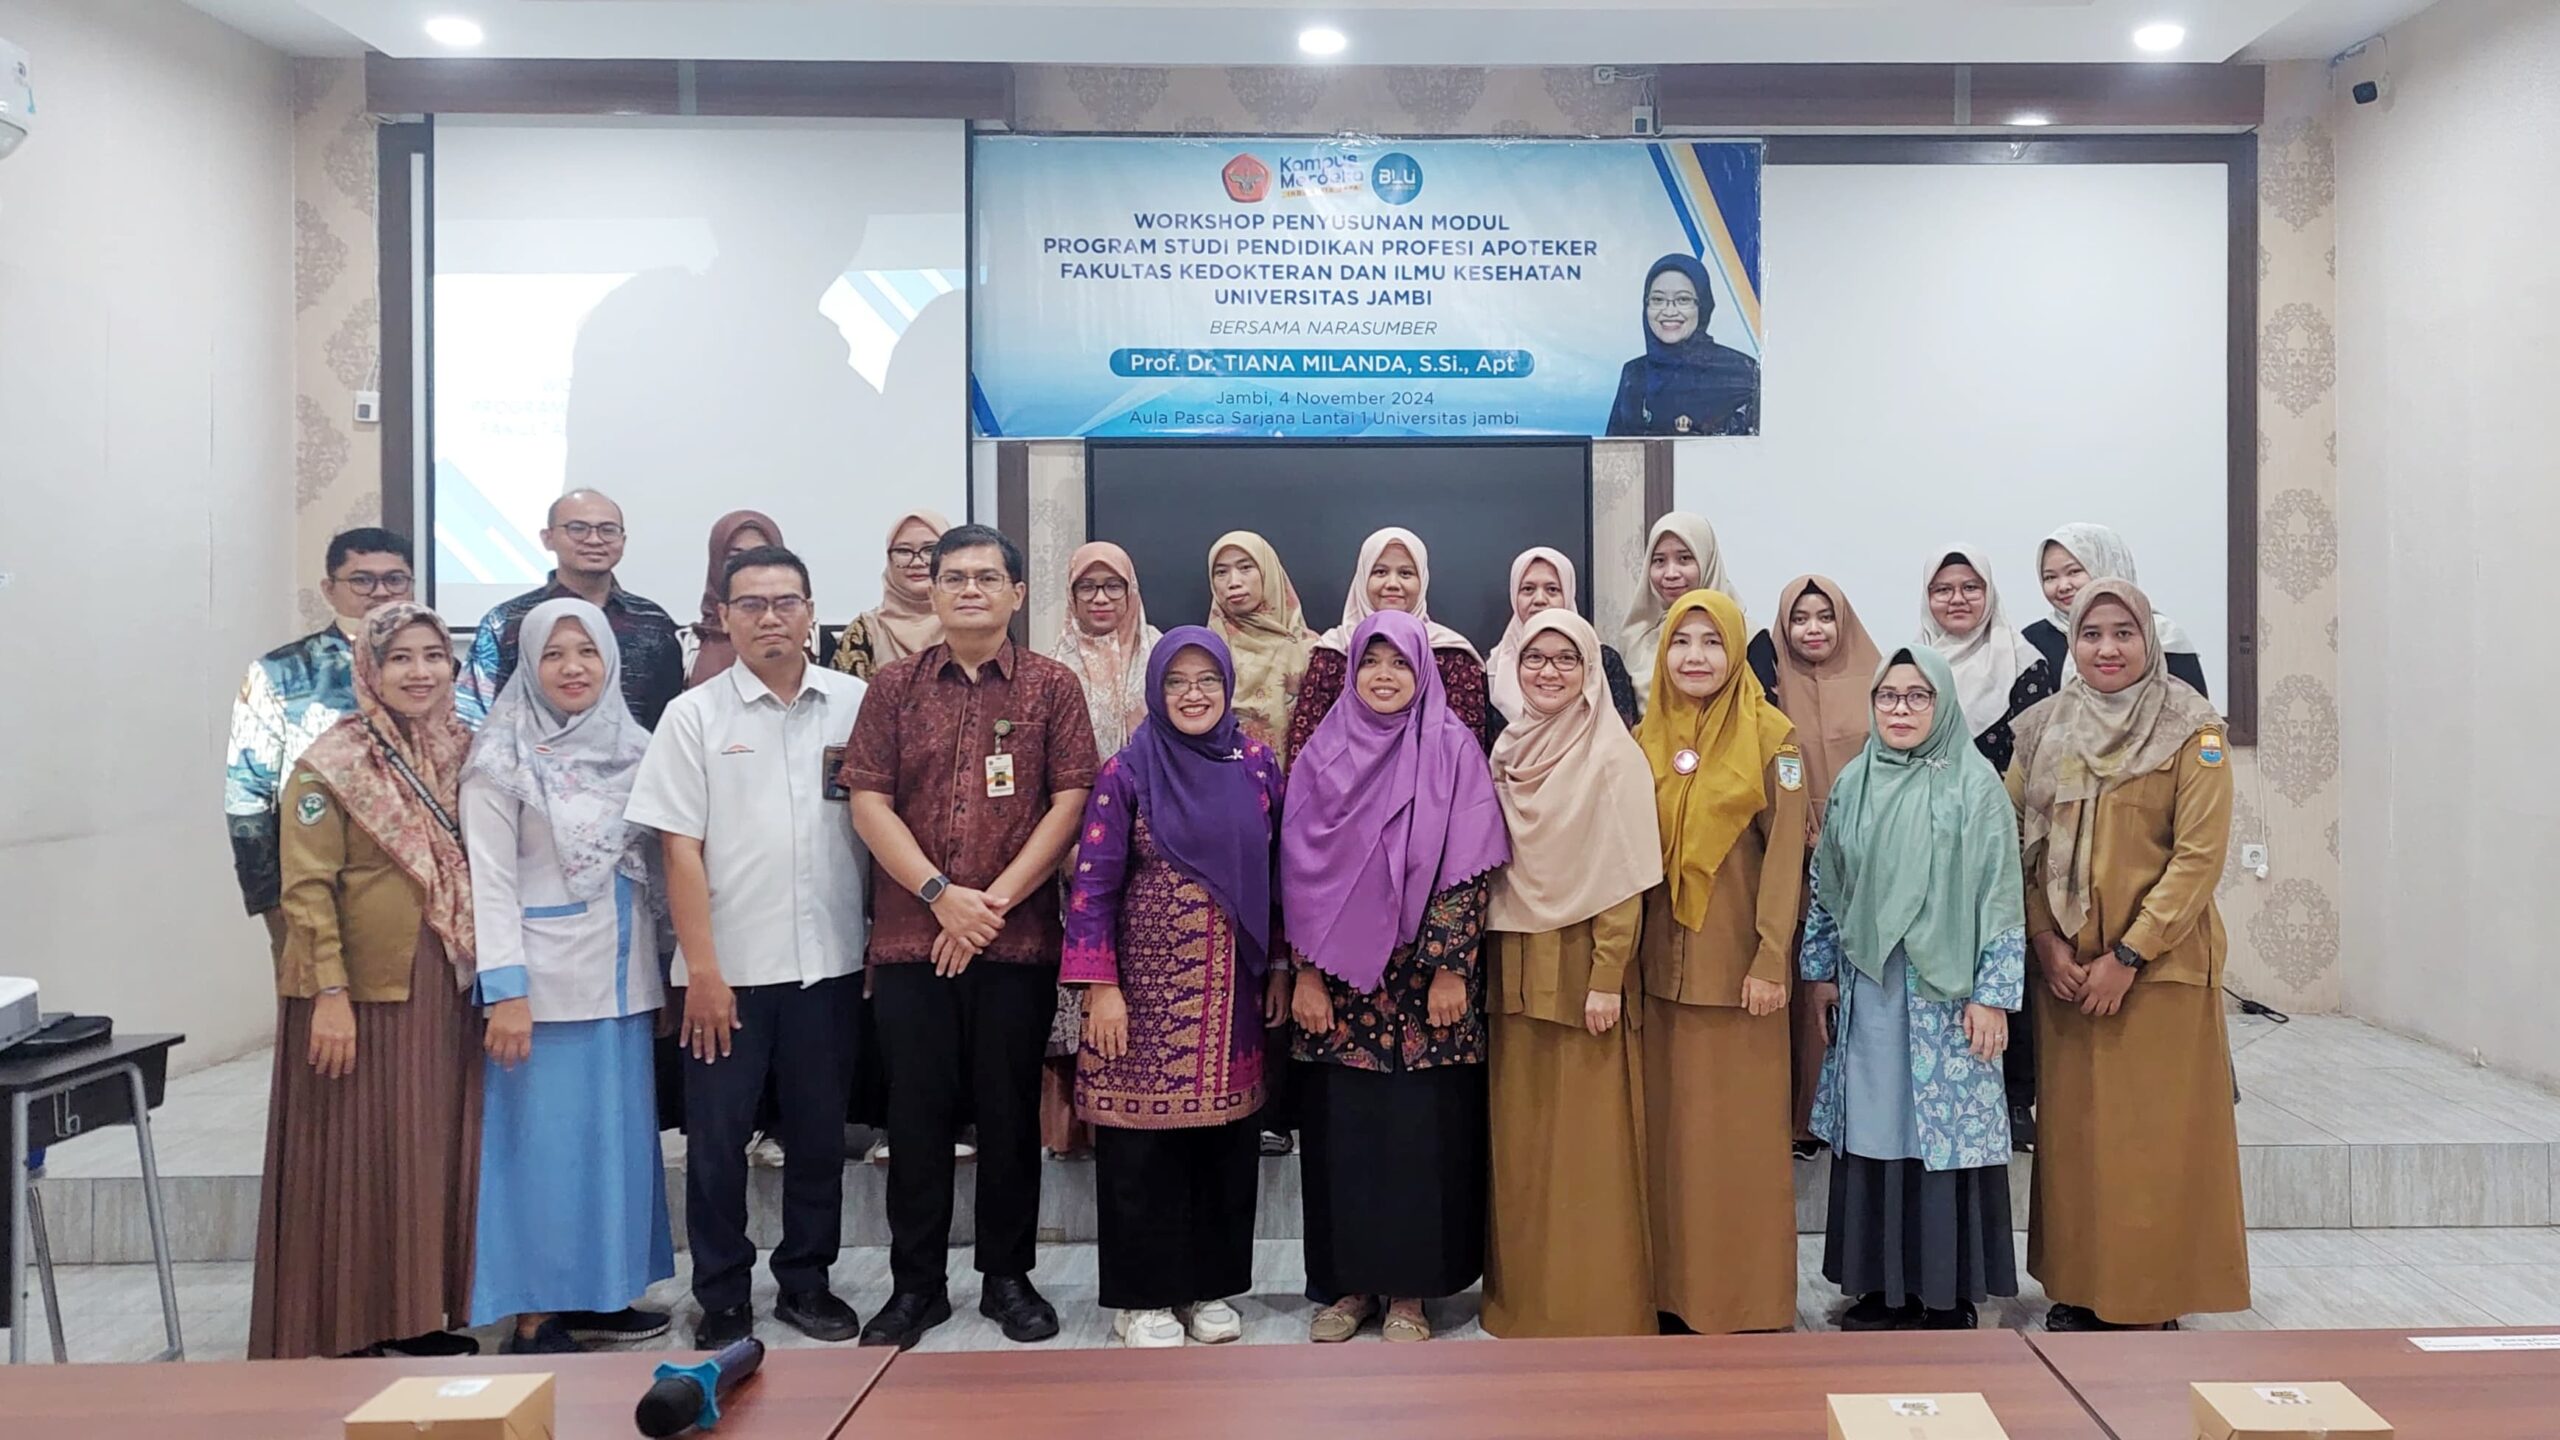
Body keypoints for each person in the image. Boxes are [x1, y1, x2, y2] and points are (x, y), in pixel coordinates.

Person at [842, 523, 1100, 1350]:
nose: (969, 590)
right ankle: (915, 1286)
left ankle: (1007, 1278)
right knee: (914, 1119)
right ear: (932, 589)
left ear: (1017, 593)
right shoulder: (893, 688)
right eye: (953, 577)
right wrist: (939, 896)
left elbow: (1071, 801)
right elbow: (868, 801)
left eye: (987, 578)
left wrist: (988, 904)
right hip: (912, 940)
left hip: (1015, 942)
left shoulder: (1053, 687)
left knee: (1007, 1113)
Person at [624, 545, 871, 1350]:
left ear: (812, 613)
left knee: (818, 1137)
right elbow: (679, 849)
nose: (771, 618)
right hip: (725, 973)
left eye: (786, 602)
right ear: (725, 617)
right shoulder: (693, 716)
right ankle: (723, 1292)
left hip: (830, 965)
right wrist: (701, 970)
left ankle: (807, 1280)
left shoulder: (854, 704)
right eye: (752, 604)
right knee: (717, 1145)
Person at [2011, 580, 2248, 1332]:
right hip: (2067, 973)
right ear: (2071, 642)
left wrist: (2129, 955)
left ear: (2149, 639)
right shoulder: (2042, 728)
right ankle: (2079, 1286)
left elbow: (2197, 858)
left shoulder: (2191, 729)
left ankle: (2146, 1299)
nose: (2107, 649)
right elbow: (2016, 844)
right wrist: (2045, 941)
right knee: (2078, 1141)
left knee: (2150, 1142)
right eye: (2091, 634)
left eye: (2124, 633)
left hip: (2156, 973)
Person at [250, 602, 481, 1361]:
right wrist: (329, 995)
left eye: (433, 656)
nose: (420, 673)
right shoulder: (332, 762)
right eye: (400, 658)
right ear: (369, 670)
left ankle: (413, 1315)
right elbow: (305, 889)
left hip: (439, 983)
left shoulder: (462, 752)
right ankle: (342, 1327)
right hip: (355, 991)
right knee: (351, 1157)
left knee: (419, 1153)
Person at [1283, 611, 1510, 1344]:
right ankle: (1349, 1288)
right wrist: (1306, 974)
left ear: (1424, 671)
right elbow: (1297, 872)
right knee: (1342, 1137)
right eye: (1370, 662)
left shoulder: (1453, 749)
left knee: (1420, 1138)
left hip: (1423, 990)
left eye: (1400, 663)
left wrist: (1450, 968)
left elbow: (1468, 869)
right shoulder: (1322, 752)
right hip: (1339, 990)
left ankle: (1410, 1294)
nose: (1384, 676)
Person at [1062, 629, 1287, 1348]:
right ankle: (1144, 1298)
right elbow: (1092, 886)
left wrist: (1281, 966)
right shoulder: (1126, 771)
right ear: (1156, 691)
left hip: (1231, 991)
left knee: (1223, 1144)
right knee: (1141, 1150)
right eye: (1177, 682)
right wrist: (1100, 987)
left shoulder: (1257, 765)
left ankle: (1210, 1286)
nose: (1193, 694)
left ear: (1227, 687)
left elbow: (1279, 877)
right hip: (1141, 996)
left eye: (1207, 680)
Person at [460, 599, 674, 1354]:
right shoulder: (501, 760)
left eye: (587, 651)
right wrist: (506, 991)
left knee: (610, 1149)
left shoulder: (636, 747)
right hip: (543, 992)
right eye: (554, 654)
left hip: (623, 980)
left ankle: (599, 1292)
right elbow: (489, 883)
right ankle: (534, 1313)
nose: (573, 667)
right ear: (528, 664)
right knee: (544, 1155)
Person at [1801, 644, 2025, 1332]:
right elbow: (1828, 884)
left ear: (1942, 704)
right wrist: (1819, 973)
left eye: (1917, 696)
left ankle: (1944, 1292)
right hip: (1870, 986)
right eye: (1888, 696)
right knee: (1876, 1127)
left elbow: (2001, 894)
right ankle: (1879, 1287)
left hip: (1948, 993)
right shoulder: (1855, 781)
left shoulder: (1975, 785)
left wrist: (1993, 993)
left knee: (1940, 1137)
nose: (1900, 710)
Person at [1481, 610, 1661, 1338]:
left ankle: (1596, 1306)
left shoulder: (1612, 756)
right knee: (1521, 1148)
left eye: (1566, 659)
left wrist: (1607, 977)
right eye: (1535, 658)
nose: (1549, 672)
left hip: (1584, 972)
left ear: (1590, 671)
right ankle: (1525, 1302)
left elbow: (1625, 876)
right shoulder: (1507, 749)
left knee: (1590, 1149)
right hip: (1514, 970)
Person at [1632, 590, 1804, 1336]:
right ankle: (1674, 1295)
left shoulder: (1776, 739)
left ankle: (1745, 1301)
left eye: (1711, 641)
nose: (1695, 656)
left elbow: (1788, 856)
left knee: (1735, 1149)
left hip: (1739, 979)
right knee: (1671, 1151)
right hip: (1658, 978)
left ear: (1736, 650)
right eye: (1681, 641)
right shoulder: (1644, 737)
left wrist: (1771, 958)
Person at [228, 528, 414, 958]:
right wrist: (270, 902)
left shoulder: (439, 672)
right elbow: (246, 796)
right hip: (312, 885)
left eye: (395, 579)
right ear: (330, 589)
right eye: (362, 580)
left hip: (414, 892)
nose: (380, 592)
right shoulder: (280, 672)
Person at [1747, 574, 1884, 1151]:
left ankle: (1865, 1115)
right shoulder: (1768, 688)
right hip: (1797, 854)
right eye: (1799, 619)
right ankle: (1804, 1120)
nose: (1813, 629)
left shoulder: (1878, 678)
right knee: (1808, 988)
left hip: (1869, 855)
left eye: (1824, 617)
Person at [1044, 542, 1165, 1161]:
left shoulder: (1163, 655)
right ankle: (1075, 1128)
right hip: (1069, 849)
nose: (1099, 598)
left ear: (1131, 590)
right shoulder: (1049, 668)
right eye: (1086, 587)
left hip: (1156, 849)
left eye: (1112, 586)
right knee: (1080, 986)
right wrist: (1067, 847)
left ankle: (1140, 1114)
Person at [458, 490, 685, 731]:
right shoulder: (507, 622)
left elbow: (671, 719)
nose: (594, 540)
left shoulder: (653, 622)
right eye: (578, 528)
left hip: (638, 754)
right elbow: (474, 718)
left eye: (608, 530)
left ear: (623, 541)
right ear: (548, 538)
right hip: (526, 754)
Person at [1285, 526, 1490, 761]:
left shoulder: (1452, 655)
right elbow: (1305, 745)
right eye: (1380, 572)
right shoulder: (1334, 651)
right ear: (1363, 578)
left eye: (1406, 573)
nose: (1392, 583)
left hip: (1429, 780)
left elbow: (1467, 753)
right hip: (1342, 781)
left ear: (1422, 580)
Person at [2026, 523, 2210, 697]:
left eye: (2074, 572)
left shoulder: (2160, 634)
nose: (2063, 586)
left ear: (2106, 566)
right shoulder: (2034, 640)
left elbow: (2195, 710)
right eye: (2050, 577)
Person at [1916, 545, 2055, 776]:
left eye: (1970, 588)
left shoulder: (2022, 662)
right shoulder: (1912, 664)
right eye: (1943, 590)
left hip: (1998, 796)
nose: (1957, 599)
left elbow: (2036, 757)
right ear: (1927, 597)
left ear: (1989, 592)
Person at [1484, 546, 1639, 738]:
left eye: (1552, 589)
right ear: (1514, 595)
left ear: (1568, 594)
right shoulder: (1493, 669)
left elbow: (1620, 734)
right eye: (1528, 589)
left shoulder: (1602, 661)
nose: (1539, 599)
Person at [1605, 254, 1760, 437]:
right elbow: (1615, 449)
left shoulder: (1741, 370)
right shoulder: (1634, 373)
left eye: (1683, 300)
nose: (1669, 311)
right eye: (1658, 300)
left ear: (1703, 306)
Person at [1205, 530, 1313, 763]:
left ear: (1268, 572)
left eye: (1245, 568)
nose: (1234, 582)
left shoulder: (1311, 651)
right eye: (1221, 572)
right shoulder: (1203, 654)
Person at [1619, 511, 1743, 705]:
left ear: (1707, 561)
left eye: (1684, 559)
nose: (1671, 573)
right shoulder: (1637, 637)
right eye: (1659, 561)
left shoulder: (1746, 636)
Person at [830, 508, 952, 680]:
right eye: (903, 551)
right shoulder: (865, 631)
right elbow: (845, 693)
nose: (917, 562)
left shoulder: (970, 623)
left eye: (930, 550)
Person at [684, 509, 786, 687]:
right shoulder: (689, 645)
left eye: (760, 555)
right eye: (734, 558)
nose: (748, 567)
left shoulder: (804, 641)